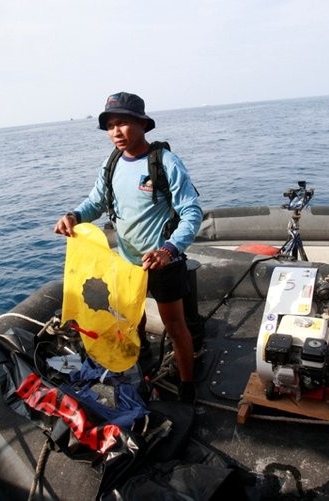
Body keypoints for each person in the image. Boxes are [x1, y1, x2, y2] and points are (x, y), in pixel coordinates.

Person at [54, 91, 203, 403]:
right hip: (127, 263)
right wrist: (74, 216)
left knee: (176, 327)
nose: (115, 132)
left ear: (142, 124)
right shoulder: (111, 165)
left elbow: (191, 212)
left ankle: (188, 386)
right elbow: (95, 202)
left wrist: (169, 250)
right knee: (134, 320)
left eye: (122, 123)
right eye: (110, 126)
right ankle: (142, 357)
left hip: (163, 262)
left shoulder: (165, 163)